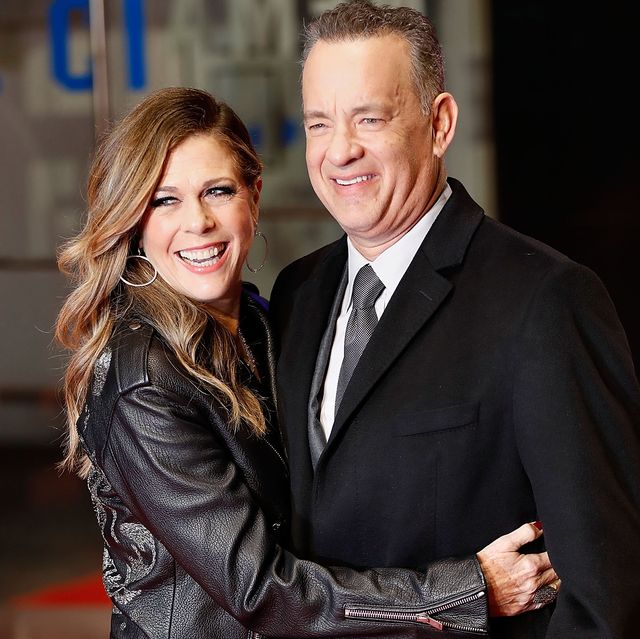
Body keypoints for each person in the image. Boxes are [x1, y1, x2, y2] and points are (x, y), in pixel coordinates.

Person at [55, 86, 558, 639]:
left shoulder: (267, 320)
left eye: (217, 191)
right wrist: (470, 590)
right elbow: (260, 589)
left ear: (253, 195)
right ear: (133, 221)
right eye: (164, 200)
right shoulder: (143, 379)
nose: (197, 222)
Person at [269, 2, 640, 638]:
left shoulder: (545, 300)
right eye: (319, 124)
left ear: (439, 124)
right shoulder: (296, 294)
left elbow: (605, 596)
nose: (340, 151)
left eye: (369, 118)